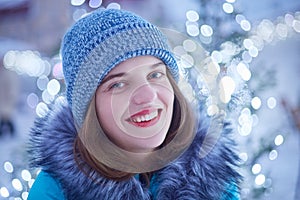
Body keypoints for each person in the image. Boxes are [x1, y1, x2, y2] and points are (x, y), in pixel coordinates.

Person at [28, 8, 241, 200]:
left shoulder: (212, 178)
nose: (147, 96)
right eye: (118, 84)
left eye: (155, 74)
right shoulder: (54, 191)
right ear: (89, 109)